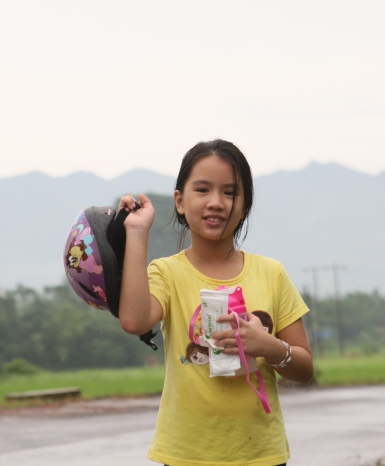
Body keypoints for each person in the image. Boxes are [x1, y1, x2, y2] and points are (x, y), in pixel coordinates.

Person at [118, 139, 314, 466]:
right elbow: (135, 322)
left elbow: (305, 369)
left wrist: (269, 347)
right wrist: (137, 232)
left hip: (260, 456)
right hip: (186, 456)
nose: (216, 203)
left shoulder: (272, 274)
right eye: (203, 190)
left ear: (245, 204)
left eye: (229, 192)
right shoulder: (167, 273)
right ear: (180, 201)